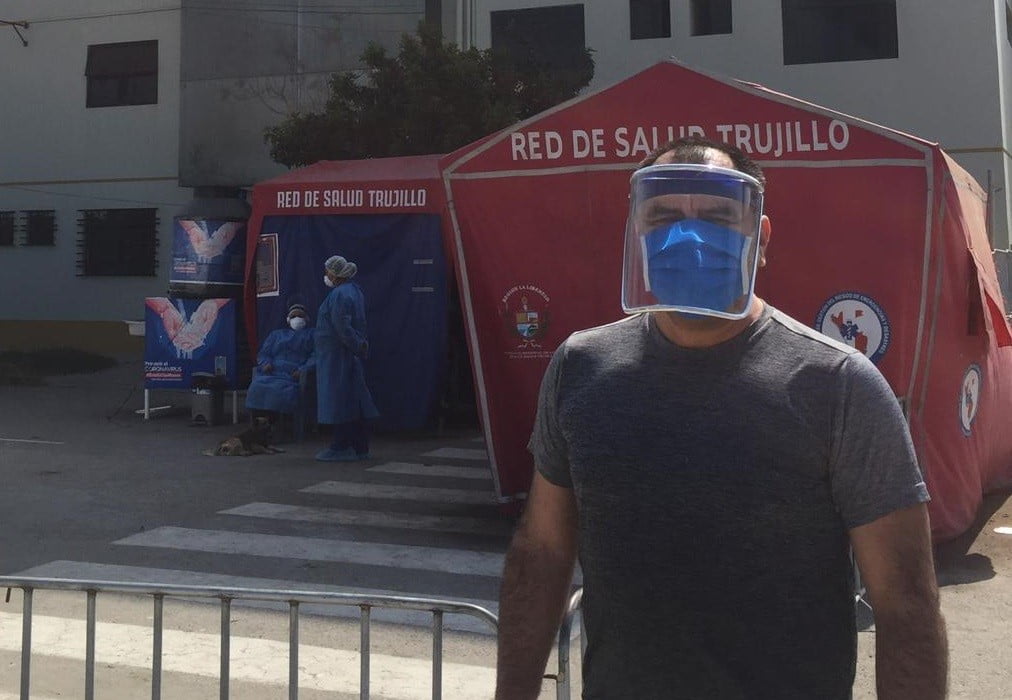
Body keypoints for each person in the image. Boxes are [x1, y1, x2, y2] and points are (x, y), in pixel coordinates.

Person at [495, 137, 948, 699]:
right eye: (663, 216)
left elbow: (906, 604)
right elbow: (541, 555)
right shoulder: (582, 368)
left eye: (717, 217)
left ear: (761, 240)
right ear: (638, 231)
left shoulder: (838, 385)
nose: (687, 238)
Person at [314, 254, 379, 462]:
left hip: (337, 356)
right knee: (355, 401)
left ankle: (341, 446)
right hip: (347, 355)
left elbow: (342, 327)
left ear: (335, 274)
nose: (326, 275)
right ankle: (360, 447)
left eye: (327, 272)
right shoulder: (353, 291)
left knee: (339, 401)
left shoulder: (339, 295)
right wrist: (360, 346)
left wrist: (356, 345)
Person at [245, 302, 315, 422]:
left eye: (300, 316)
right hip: (272, 372)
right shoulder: (277, 335)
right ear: (288, 319)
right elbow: (264, 353)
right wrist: (265, 363)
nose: (297, 318)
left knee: (281, 391)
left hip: (292, 376)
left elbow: (316, 356)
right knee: (257, 386)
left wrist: (303, 370)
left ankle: (278, 422)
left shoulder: (312, 335)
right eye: (293, 316)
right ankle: (260, 421)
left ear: (307, 318)